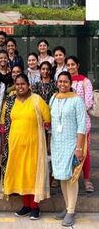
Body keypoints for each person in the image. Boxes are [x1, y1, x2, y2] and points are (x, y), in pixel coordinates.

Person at [0, 74, 51, 220]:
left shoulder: (37, 100)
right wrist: (4, 146)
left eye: (23, 84)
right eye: (18, 84)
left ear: (29, 85)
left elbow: (47, 119)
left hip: (33, 146)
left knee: (31, 175)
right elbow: (4, 123)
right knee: (21, 175)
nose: (20, 87)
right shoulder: (10, 101)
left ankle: (35, 207)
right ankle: (26, 206)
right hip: (15, 146)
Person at [50, 71, 87, 227]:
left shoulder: (77, 100)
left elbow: (82, 125)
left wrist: (79, 147)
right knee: (62, 176)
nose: (63, 84)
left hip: (72, 143)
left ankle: (71, 211)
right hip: (57, 144)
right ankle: (67, 207)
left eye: (66, 81)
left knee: (71, 177)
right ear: (57, 83)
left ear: (70, 83)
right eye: (60, 81)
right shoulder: (53, 98)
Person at [66, 56, 95, 193]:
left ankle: (87, 179)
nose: (71, 67)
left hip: (83, 121)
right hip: (68, 123)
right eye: (68, 65)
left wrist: (75, 112)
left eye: (73, 64)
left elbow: (88, 102)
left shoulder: (85, 81)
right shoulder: (64, 81)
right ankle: (73, 176)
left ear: (77, 65)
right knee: (70, 150)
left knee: (84, 151)